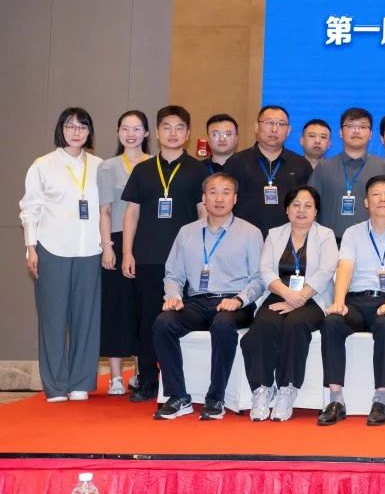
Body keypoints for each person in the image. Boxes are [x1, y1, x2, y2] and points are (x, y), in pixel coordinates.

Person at [152, 172, 263, 420]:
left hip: (234, 302)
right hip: (196, 302)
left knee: (223, 325)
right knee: (163, 323)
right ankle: (178, 396)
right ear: (204, 198)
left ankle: (215, 398)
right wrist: (173, 296)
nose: (219, 198)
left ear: (235, 199)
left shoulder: (250, 232)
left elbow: (259, 279)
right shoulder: (187, 232)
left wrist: (239, 300)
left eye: (226, 193)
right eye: (213, 192)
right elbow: (173, 275)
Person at [121, 105, 206, 403]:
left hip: (186, 262)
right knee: (147, 321)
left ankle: (181, 383)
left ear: (188, 133)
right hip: (147, 256)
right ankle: (147, 381)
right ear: (156, 133)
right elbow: (131, 213)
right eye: (167, 127)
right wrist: (127, 252)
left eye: (179, 128)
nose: (173, 133)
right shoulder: (143, 170)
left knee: (180, 320)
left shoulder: (198, 170)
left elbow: (203, 215)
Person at [319, 175, 385, 427]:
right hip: (356, 301)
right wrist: (339, 301)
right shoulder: (352, 233)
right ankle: (336, 399)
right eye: (376, 194)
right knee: (331, 321)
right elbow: (345, 267)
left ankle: (380, 399)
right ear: (366, 201)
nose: (382, 199)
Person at [20, 107, 103, 403]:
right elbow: (30, 208)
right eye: (70, 126)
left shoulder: (99, 166)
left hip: (90, 250)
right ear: (61, 129)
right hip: (51, 248)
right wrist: (31, 247)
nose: (76, 132)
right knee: (53, 320)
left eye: (82, 126)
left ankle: (80, 381)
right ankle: (55, 385)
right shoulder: (43, 165)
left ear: (89, 132)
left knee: (86, 320)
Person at [240, 186, 338, 422]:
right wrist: (287, 295)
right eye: (296, 205)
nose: (301, 210)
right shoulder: (275, 234)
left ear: (316, 211)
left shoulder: (325, 235)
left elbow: (326, 271)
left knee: (295, 325)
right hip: (279, 294)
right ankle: (262, 388)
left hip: (313, 297)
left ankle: (287, 388)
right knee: (262, 326)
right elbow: (265, 270)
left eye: (308, 206)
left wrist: (300, 298)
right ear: (287, 209)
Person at [97, 110, 150, 395]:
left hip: (148, 243)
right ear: (118, 132)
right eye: (125, 128)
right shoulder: (108, 167)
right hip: (117, 242)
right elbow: (105, 211)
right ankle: (116, 376)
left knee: (143, 309)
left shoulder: (155, 164)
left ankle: (141, 373)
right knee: (116, 308)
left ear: (147, 133)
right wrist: (107, 246)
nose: (131, 134)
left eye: (137, 128)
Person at [223, 105, 312, 236]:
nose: (274, 129)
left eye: (281, 124)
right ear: (256, 127)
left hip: (288, 238)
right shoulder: (236, 162)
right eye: (269, 123)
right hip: (243, 238)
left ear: (288, 130)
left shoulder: (301, 165)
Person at [311, 107, 385, 239]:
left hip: (374, 242)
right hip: (330, 242)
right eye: (350, 126)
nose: (356, 130)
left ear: (371, 134)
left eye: (362, 126)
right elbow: (310, 206)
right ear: (340, 132)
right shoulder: (324, 167)